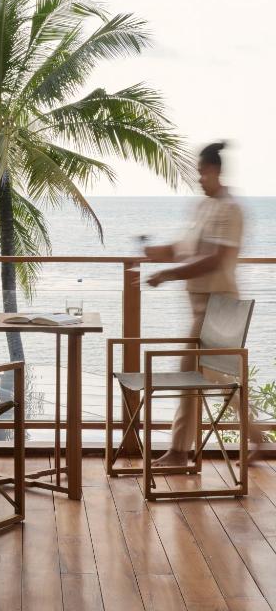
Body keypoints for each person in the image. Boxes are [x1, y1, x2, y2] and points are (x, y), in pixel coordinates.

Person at [145, 141, 262, 467]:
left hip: (219, 305)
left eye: (202, 172)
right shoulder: (203, 207)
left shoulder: (230, 210)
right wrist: (156, 253)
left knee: (190, 372)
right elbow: (185, 249)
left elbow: (215, 258)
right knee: (218, 378)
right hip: (200, 307)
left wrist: (168, 274)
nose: (198, 179)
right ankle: (258, 438)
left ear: (215, 171)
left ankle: (179, 452)